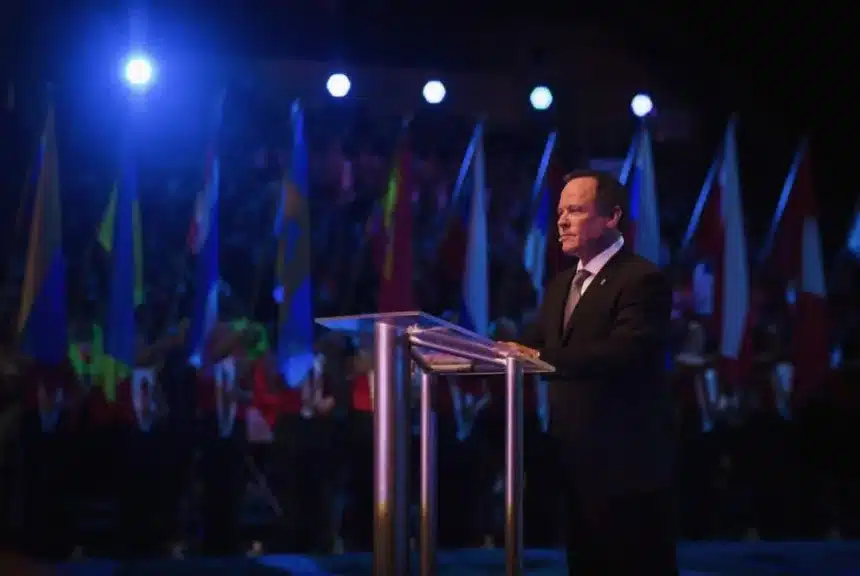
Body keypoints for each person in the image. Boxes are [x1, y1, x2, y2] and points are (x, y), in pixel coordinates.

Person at [501, 170, 677, 574]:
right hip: (573, 460)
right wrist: (479, 348)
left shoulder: (641, 279)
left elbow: (625, 352)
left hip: (627, 466)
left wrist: (539, 356)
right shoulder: (561, 284)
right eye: (560, 212)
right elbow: (531, 342)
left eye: (576, 211)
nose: (562, 222)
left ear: (611, 217)